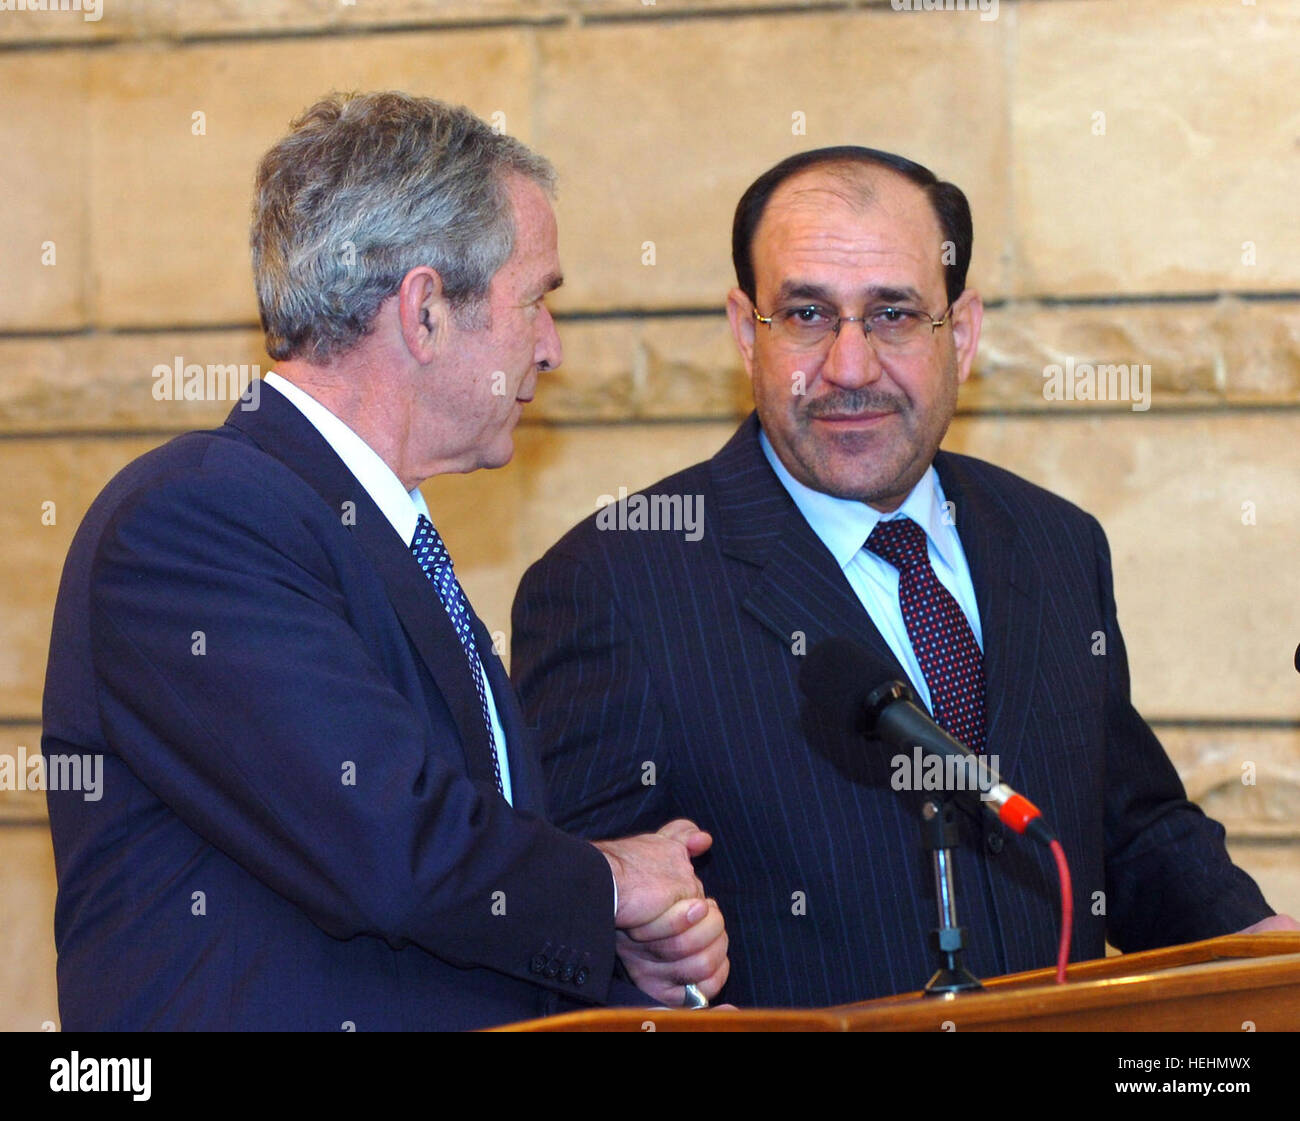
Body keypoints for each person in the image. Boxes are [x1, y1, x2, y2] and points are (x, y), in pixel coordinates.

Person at [511, 146, 1297, 1009]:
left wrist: (1263, 951)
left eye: (892, 315)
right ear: (746, 331)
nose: (850, 368)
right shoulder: (615, 584)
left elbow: (1130, 828)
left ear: (959, 332)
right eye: (807, 314)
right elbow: (570, 924)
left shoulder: (1055, 542)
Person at [41, 91, 728, 1031]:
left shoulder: (376, 532)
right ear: (426, 310)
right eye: (538, 300)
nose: (553, 349)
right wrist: (609, 882)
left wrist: (620, 956)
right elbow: (392, 842)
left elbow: (446, 888)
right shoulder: (196, 515)